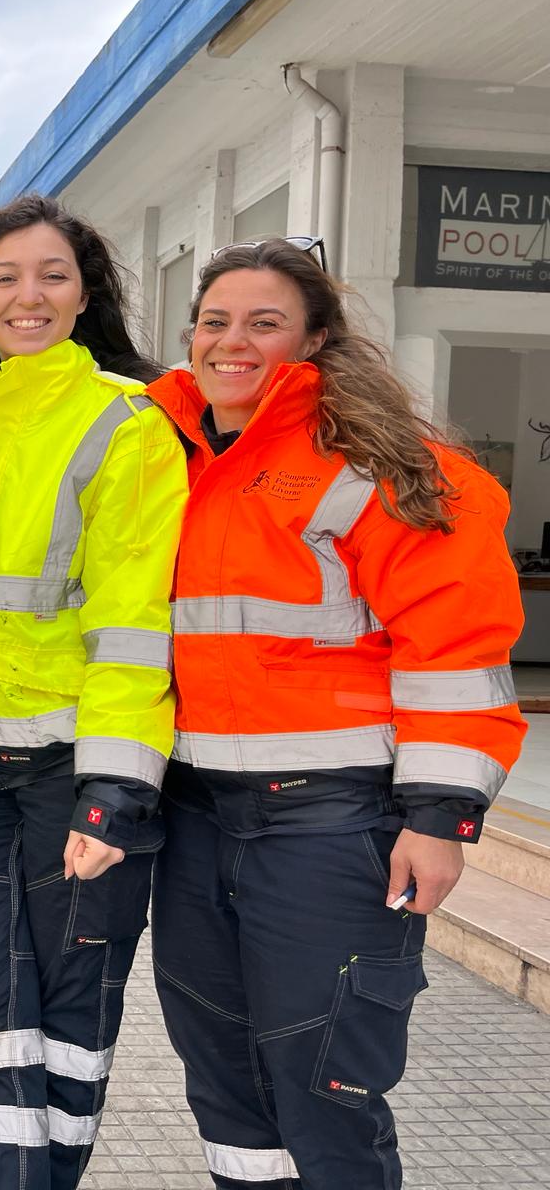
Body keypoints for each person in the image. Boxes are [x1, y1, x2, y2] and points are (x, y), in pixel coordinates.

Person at [145, 237, 525, 1189]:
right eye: (216, 321)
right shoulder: (160, 460)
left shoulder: (385, 469)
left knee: (326, 1080)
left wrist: (439, 819)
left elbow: (455, 652)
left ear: (314, 341)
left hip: (333, 824)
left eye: (265, 323)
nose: (235, 342)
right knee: (222, 1079)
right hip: (193, 818)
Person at [0, 195, 186, 1189]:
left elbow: (132, 622)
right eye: (6, 278)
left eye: (53, 276)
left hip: (74, 780)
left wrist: (115, 792)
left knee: (69, 1026)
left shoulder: (127, 424)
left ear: (84, 295)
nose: (30, 296)